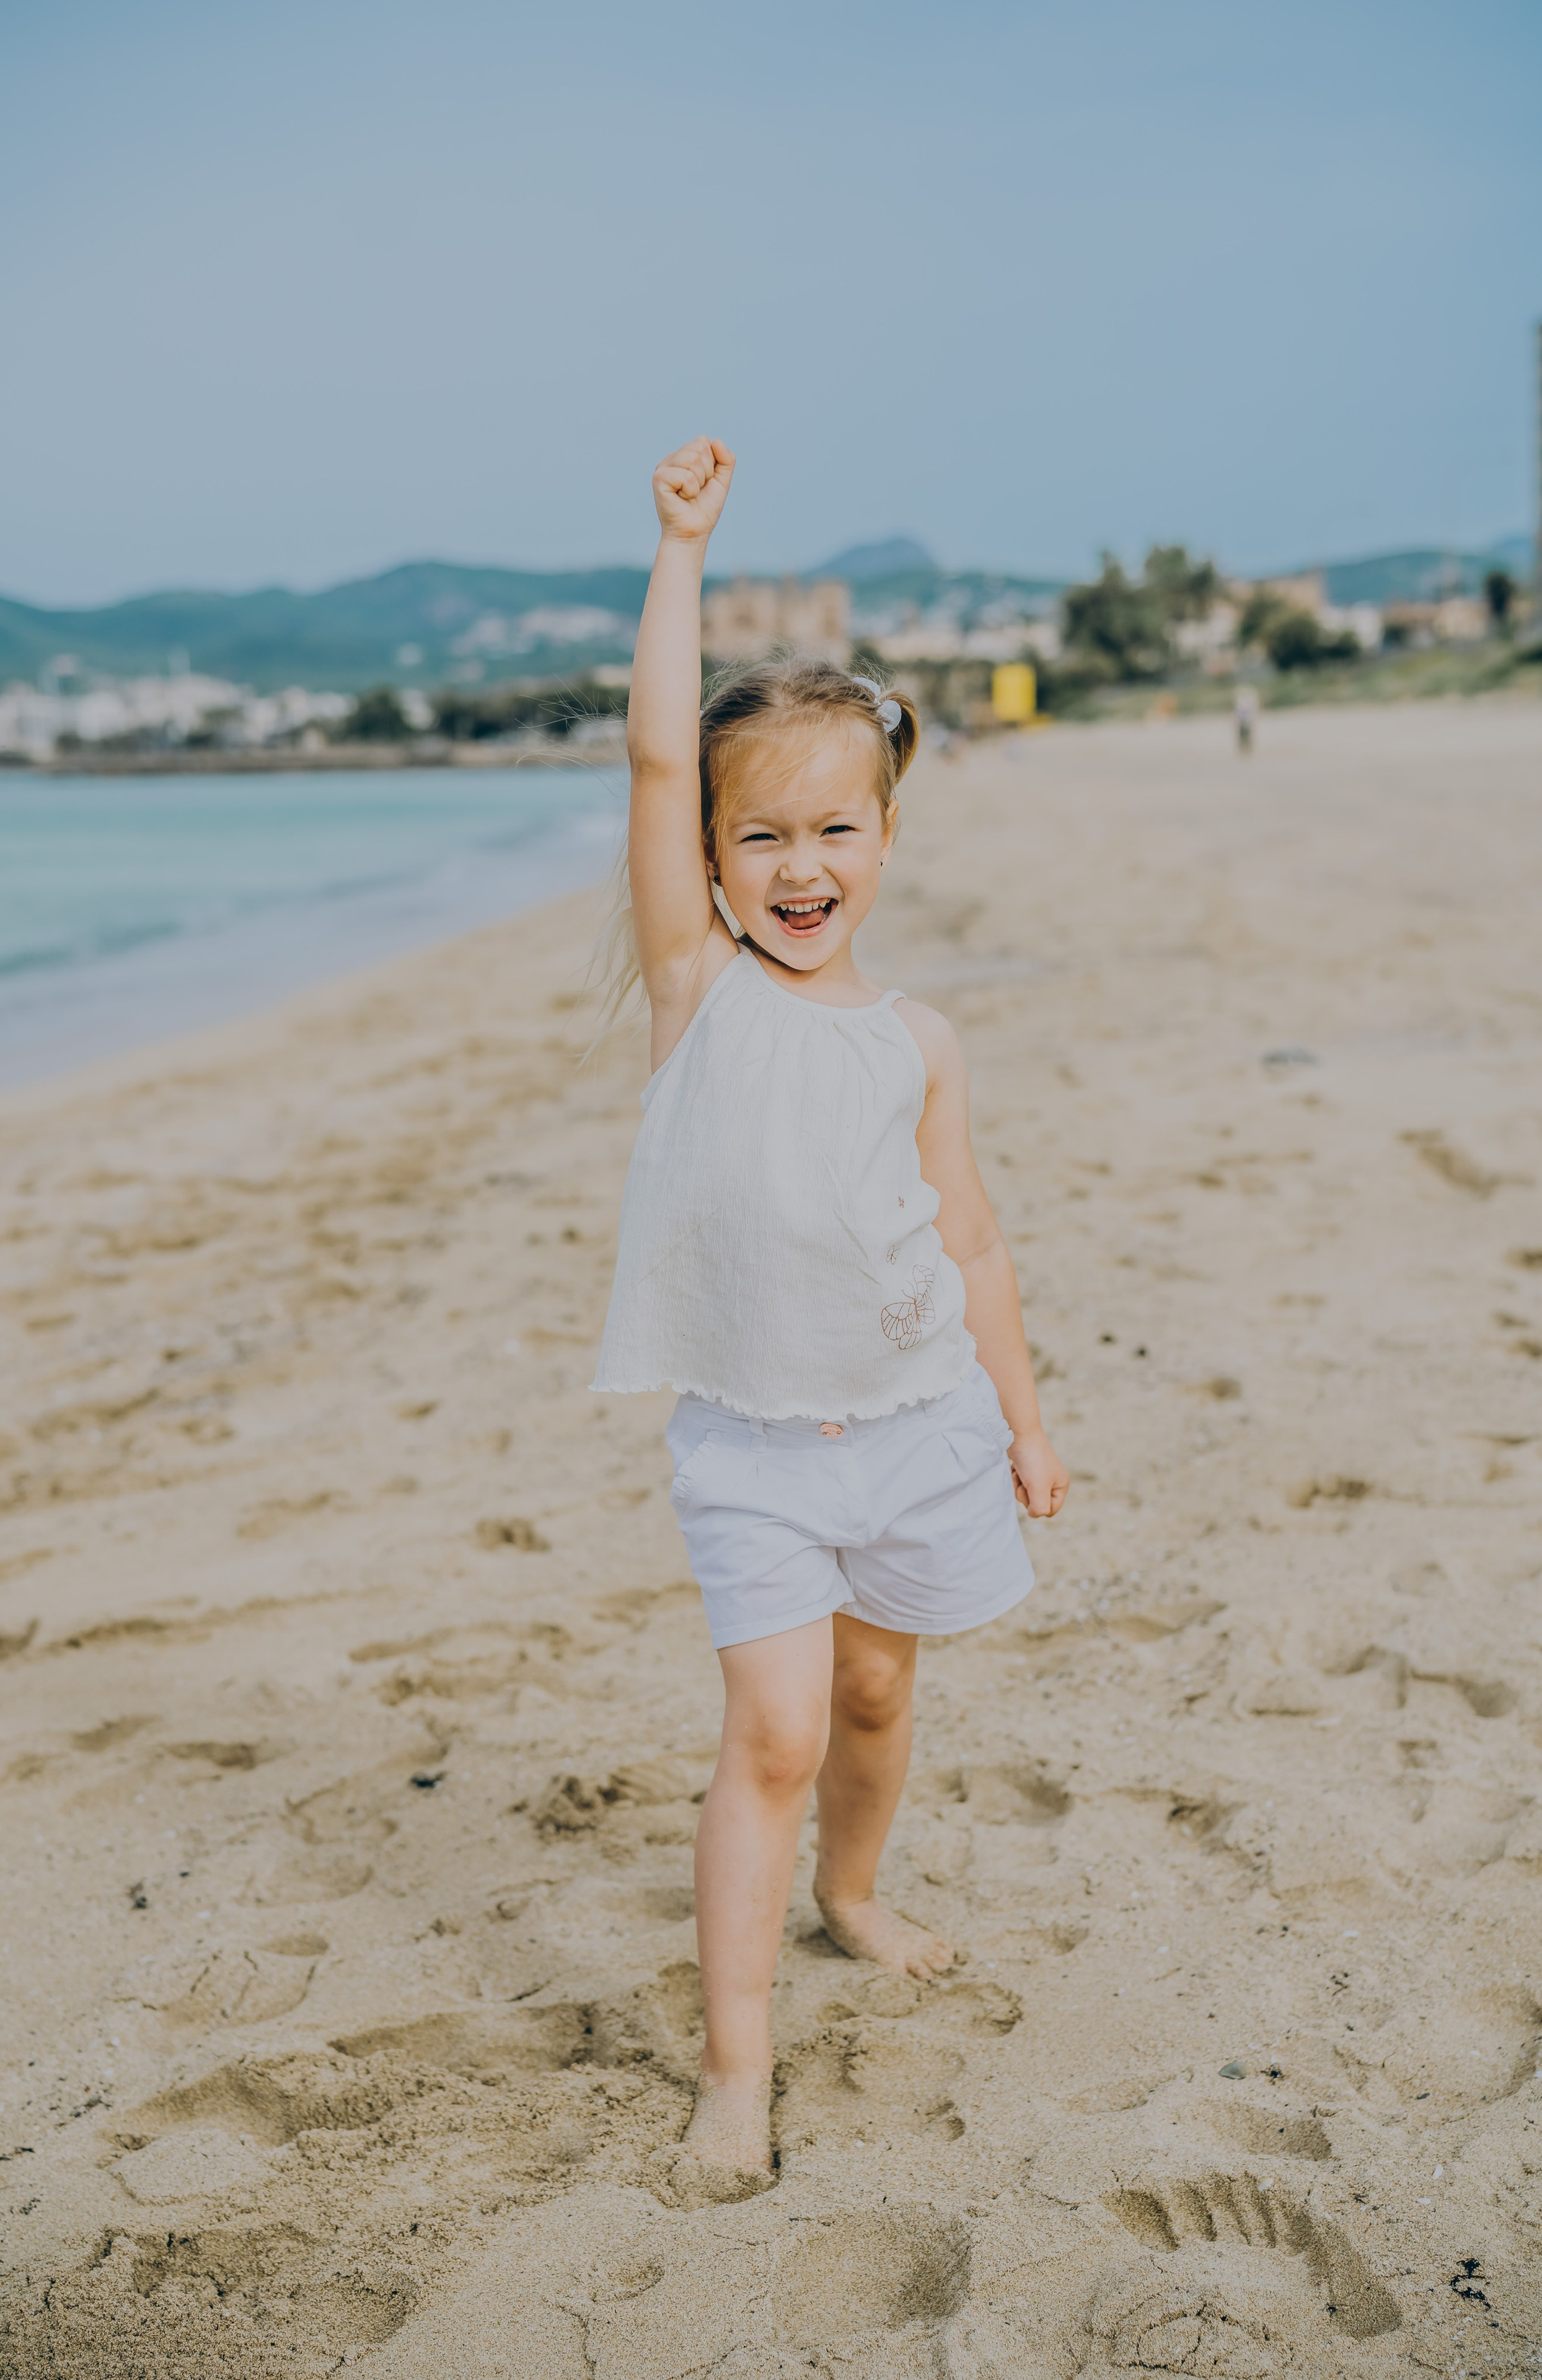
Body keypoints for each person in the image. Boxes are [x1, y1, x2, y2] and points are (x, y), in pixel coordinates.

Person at [591, 438, 1069, 2204]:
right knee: (778, 1732)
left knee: (878, 1705)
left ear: (886, 836)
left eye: (836, 829)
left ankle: (853, 1896)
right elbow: (653, 750)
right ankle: (737, 2068)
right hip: (755, 1449)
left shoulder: (916, 1038)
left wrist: (1020, 1416)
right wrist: (680, 547)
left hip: (921, 1423)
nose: (802, 865)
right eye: (761, 834)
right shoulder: (699, 995)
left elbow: (974, 1241)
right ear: (713, 859)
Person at [1235, 684, 1258, 753]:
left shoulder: (1241, 701)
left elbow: (1238, 712)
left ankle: (1245, 748)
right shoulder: (1245, 701)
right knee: (1245, 735)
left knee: (1245, 736)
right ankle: (1245, 748)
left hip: (1245, 721)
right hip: (1245, 721)